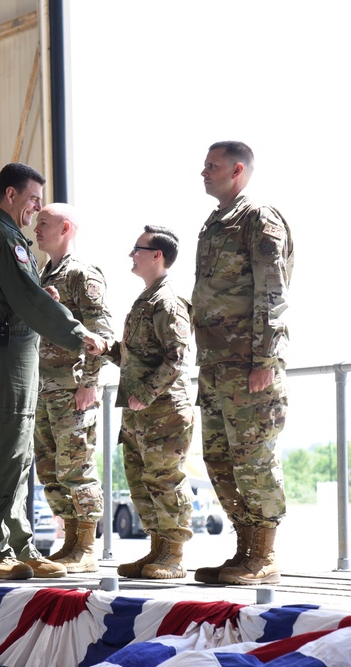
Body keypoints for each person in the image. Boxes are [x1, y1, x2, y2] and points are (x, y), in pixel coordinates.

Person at [0, 162, 107, 580]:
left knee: (17, 453)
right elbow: (28, 300)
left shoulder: (2, 237)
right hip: (3, 351)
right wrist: (78, 332)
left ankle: (18, 547)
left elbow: (19, 296)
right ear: (10, 195)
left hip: (10, 349)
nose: (35, 209)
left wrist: (39, 300)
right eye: (32, 200)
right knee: (4, 451)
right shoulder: (4, 239)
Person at [192, 141, 294, 586]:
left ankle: (265, 556)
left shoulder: (259, 219)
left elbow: (272, 293)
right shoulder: (215, 223)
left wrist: (266, 359)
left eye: (211, 166)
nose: (203, 172)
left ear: (237, 171)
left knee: (253, 460)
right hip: (216, 366)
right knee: (220, 460)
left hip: (248, 365)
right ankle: (245, 550)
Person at [107, 226, 195, 579]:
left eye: (137, 249)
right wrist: (109, 350)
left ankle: (173, 554)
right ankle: (157, 548)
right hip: (139, 413)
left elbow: (176, 358)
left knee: (164, 479)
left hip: (163, 411)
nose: (132, 255)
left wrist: (143, 395)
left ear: (157, 255)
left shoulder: (167, 300)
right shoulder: (146, 299)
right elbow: (140, 357)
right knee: (142, 481)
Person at [32, 203, 114, 573]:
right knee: (49, 470)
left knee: (76, 467)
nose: (37, 229)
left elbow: (103, 334)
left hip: (71, 388)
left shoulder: (82, 275)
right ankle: (69, 541)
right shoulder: (38, 276)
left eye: (44, 223)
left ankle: (85, 546)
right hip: (43, 388)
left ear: (66, 228)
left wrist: (90, 382)